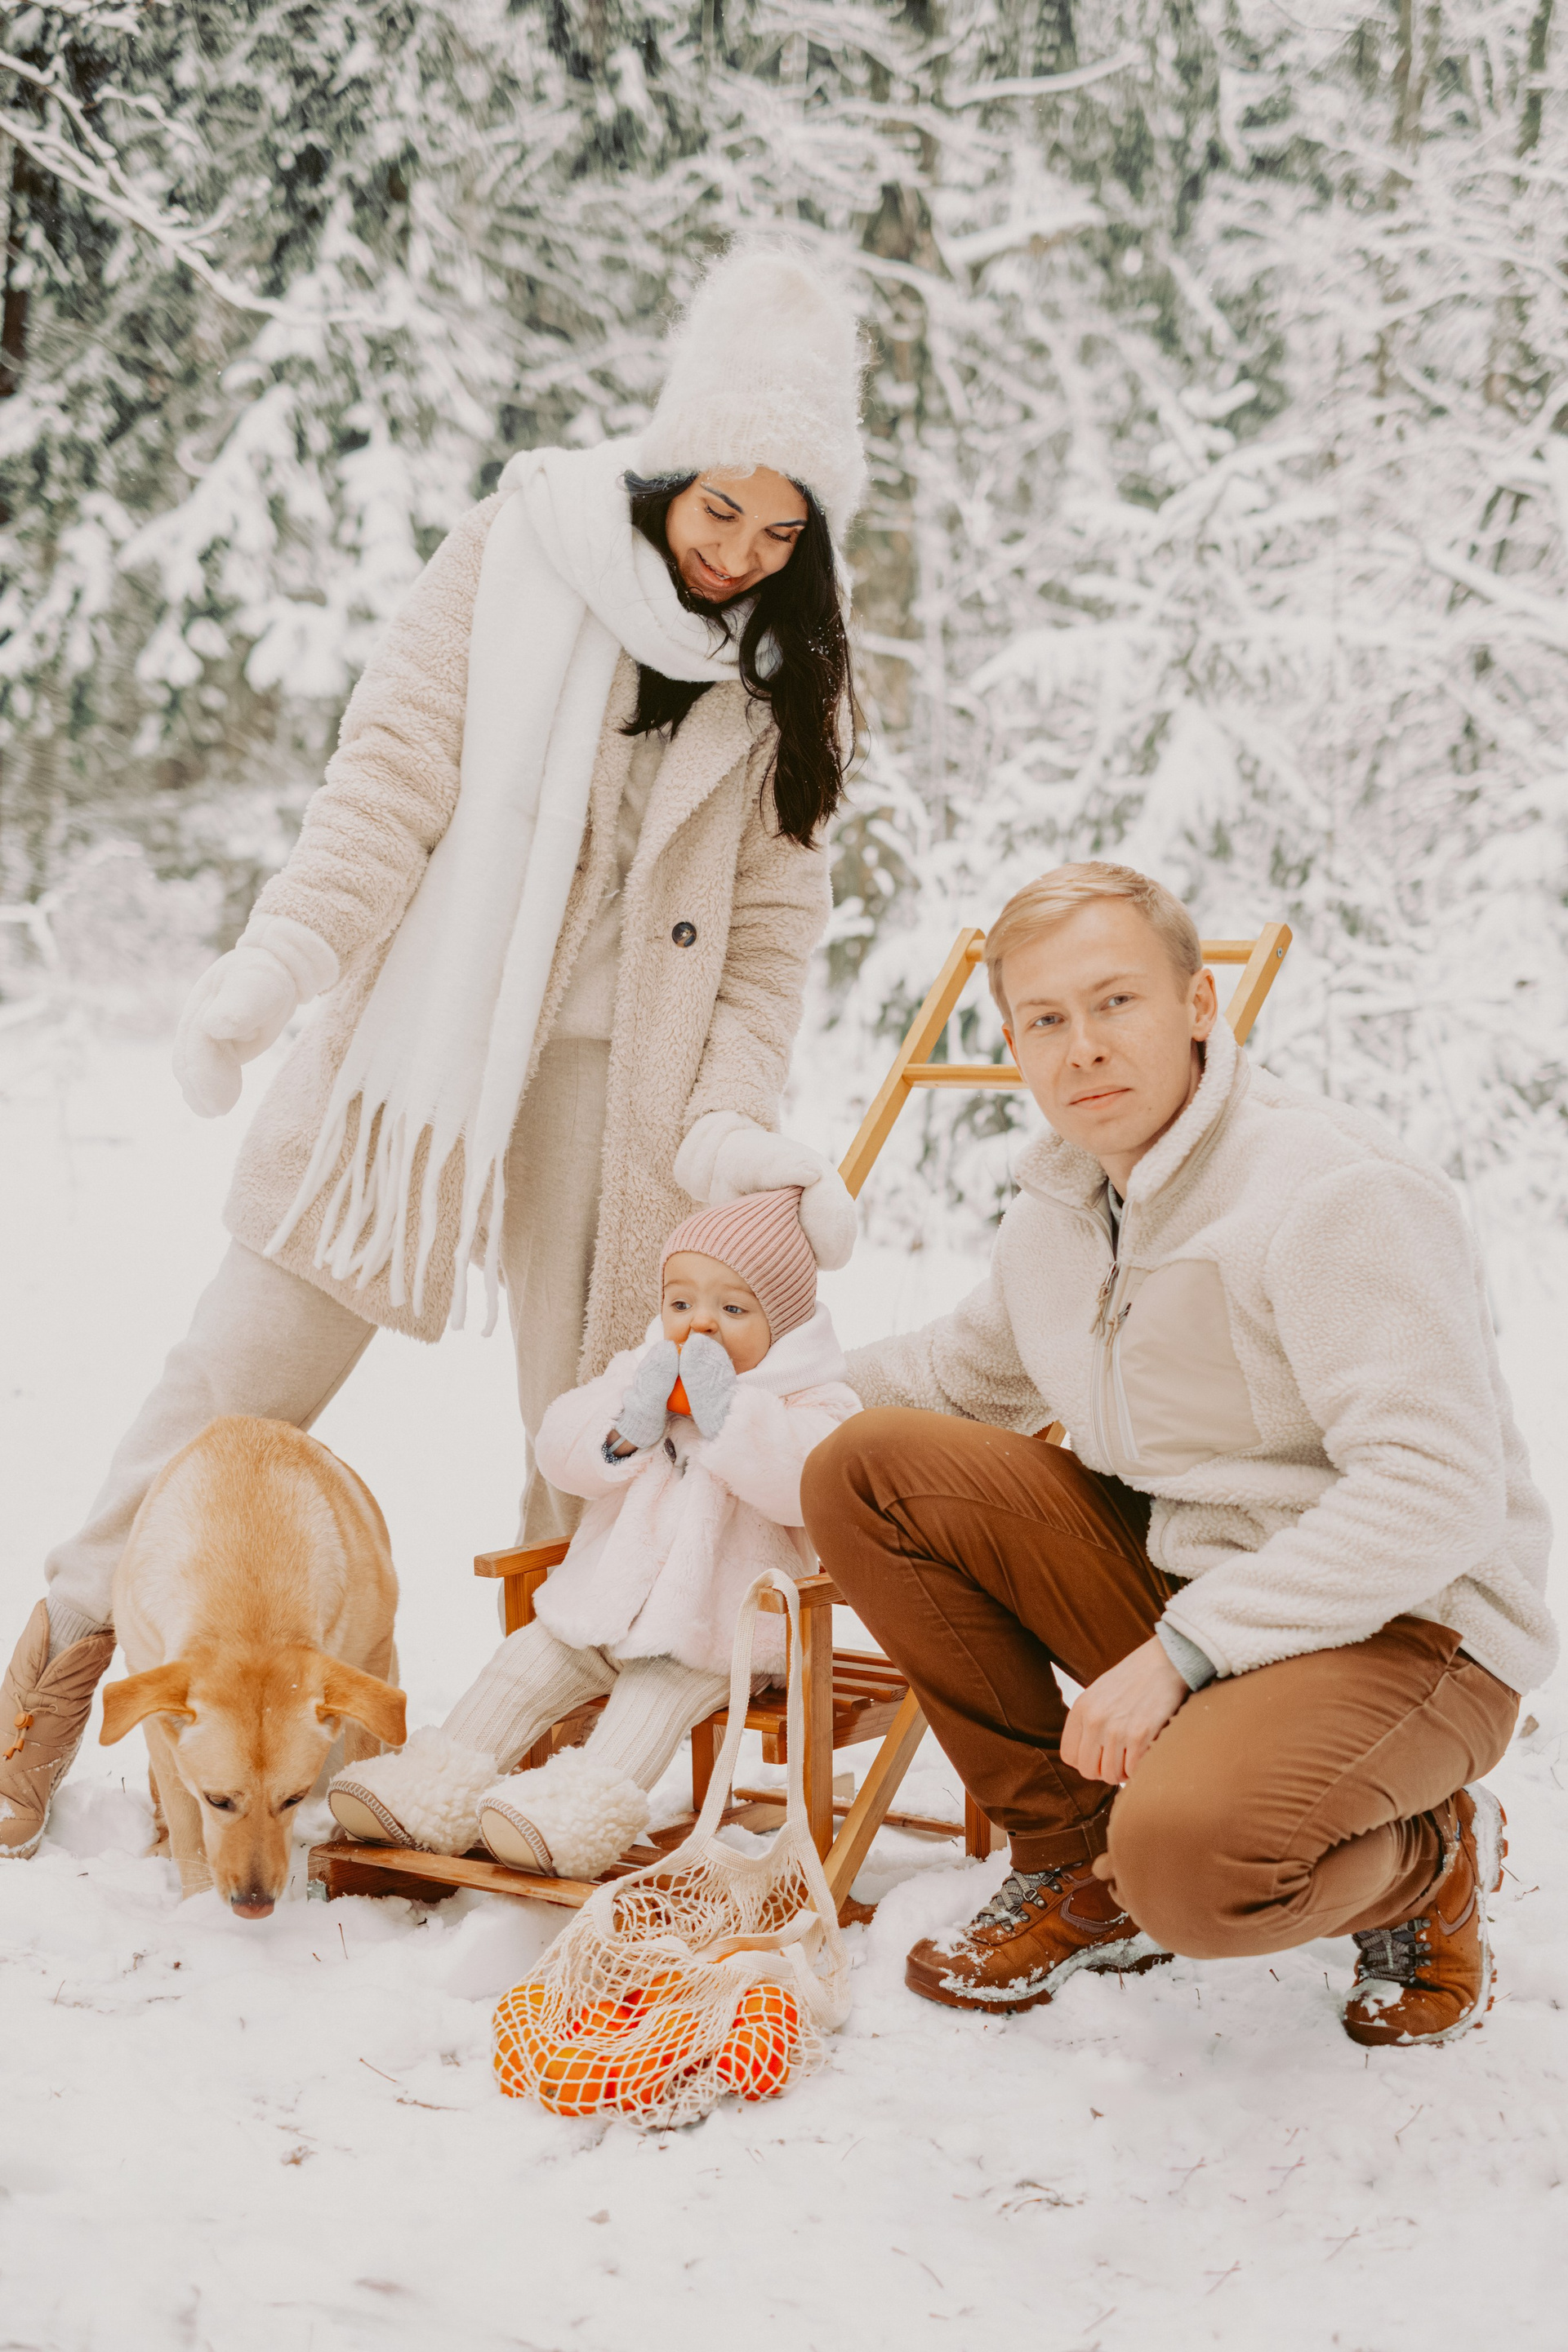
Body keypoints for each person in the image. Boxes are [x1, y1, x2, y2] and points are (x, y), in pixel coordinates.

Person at [0, 242, 867, 1861]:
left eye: (781, 532)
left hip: (631, 1093)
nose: (741, 555)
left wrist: (730, 1118)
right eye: (719, 511)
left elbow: (771, 934)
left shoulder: (790, 667)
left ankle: (529, 1754)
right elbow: (389, 778)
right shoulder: (522, 548)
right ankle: (56, 1669)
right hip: (424, 1060)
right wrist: (279, 961)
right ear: (668, 467)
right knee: (235, 1371)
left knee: (610, 1437)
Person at [802, 862, 1556, 2048]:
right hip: (1198, 1583)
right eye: (1047, 1020)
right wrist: (748, 1393)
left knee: (1190, 1866)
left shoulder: (1333, 1191)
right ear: (1014, 1043)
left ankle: (1433, 1859)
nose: (1085, 1048)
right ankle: (1073, 1863)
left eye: (1116, 1002)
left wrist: (1183, 1651)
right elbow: (958, 1375)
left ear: (1199, 1004)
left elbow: (1438, 1489)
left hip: (1412, 1628)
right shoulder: (1061, 1212)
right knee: (865, 1464)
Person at [326, 1178, 860, 1881]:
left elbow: (811, 1486)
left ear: (783, 1324)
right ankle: (426, 1791)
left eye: (732, 1309)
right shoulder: (641, 1375)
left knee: (648, 1704)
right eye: (681, 1304)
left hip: (714, 1634)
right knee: (522, 1666)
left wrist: (728, 1413)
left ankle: (572, 1819)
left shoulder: (814, 1400)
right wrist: (628, 1423)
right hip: (602, 1605)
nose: (699, 1326)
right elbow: (561, 1447)